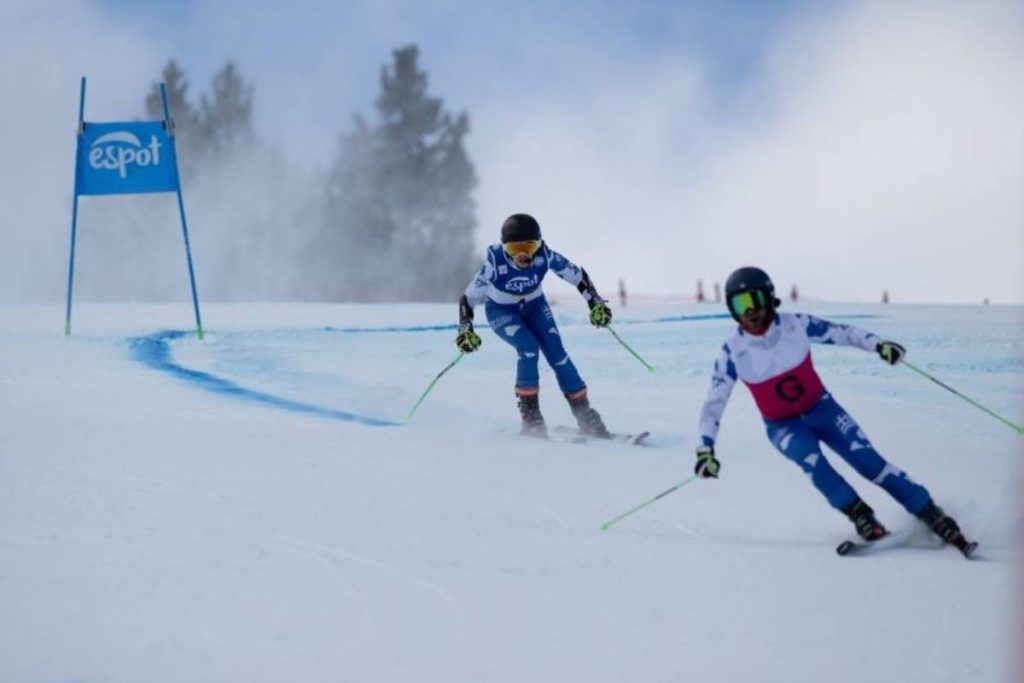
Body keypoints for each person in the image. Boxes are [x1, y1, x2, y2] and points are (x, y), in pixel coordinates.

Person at [693, 265, 972, 550]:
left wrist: (879, 345)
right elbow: (715, 401)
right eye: (741, 304)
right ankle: (861, 515)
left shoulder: (796, 325)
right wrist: (705, 449)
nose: (750, 311)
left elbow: (841, 333)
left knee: (869, 462)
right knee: (814, 462)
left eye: (756, 300)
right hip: (783, 427)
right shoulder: (732, 351)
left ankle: (929, 511)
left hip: (823, 410)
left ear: (770, 298)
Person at [456, 214, 613, 439]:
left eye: (528, 247)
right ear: (504, 247)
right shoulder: (494, 261)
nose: (522, 255)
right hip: (502, 311)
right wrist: (465, 329)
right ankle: (531, 418)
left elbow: (577, 277)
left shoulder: (545, 256)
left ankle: (585, 415)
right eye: (514, 249)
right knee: (528, 350)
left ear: (538, 244)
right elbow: (468, 298)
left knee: (558, 356)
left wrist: (595, 303)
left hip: (535, 306)